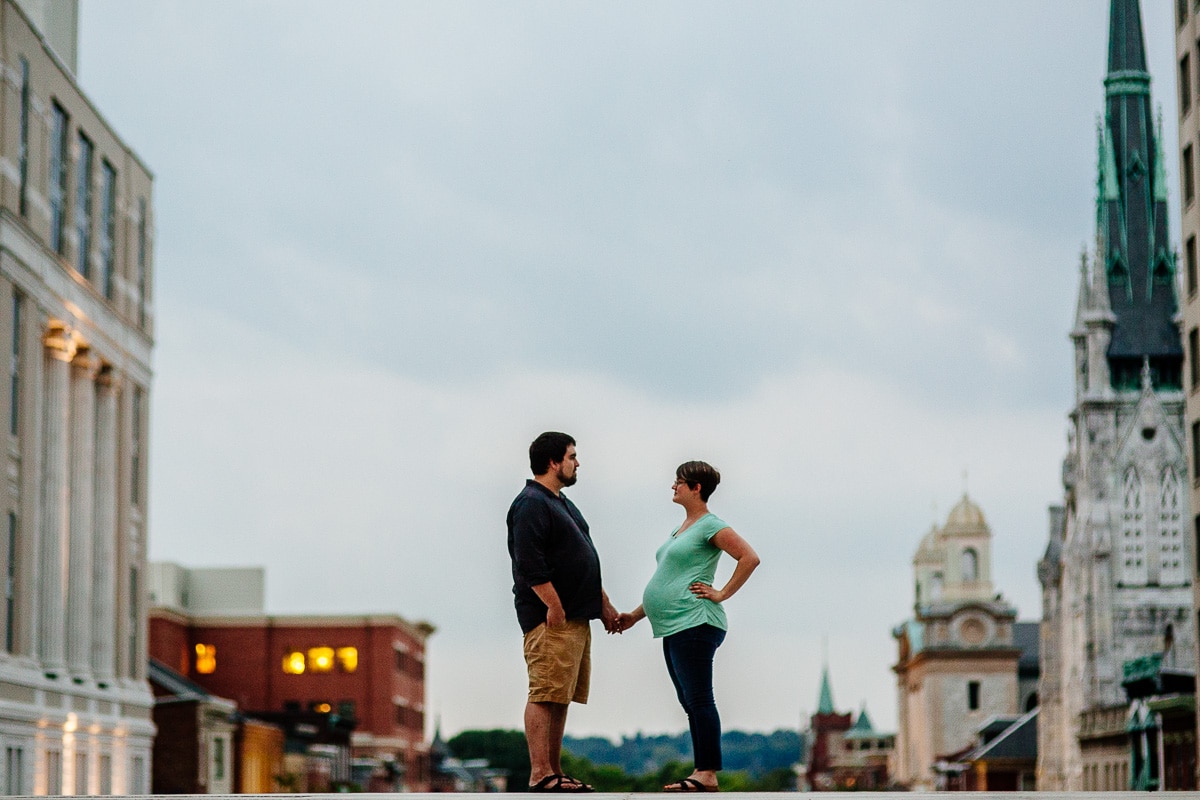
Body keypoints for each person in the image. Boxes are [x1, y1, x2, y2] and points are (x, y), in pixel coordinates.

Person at [617, 461, 760, 792]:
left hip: (696, 621)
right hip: (673, 625)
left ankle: (707, 774)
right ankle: (702, 770)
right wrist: (635, 616)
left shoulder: (712, 525)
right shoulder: (681, 529)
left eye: (679, 482)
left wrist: (721, 593)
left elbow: (749, 558)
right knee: (689, 700)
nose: (673, 487)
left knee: (698, 698)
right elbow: (669, 581)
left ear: (697, 488)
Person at [508, 431, 619, 793]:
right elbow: (530, 564)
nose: (577, 462)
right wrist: (553, 606)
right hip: (551, 618)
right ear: (553, 462)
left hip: (576, 617)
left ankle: (554, 771)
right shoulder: (531, 504)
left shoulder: (563, 503)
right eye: (572, 456)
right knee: (544, 693)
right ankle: (540, 773)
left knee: (560, 695)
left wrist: (603, 605)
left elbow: (583, 557)